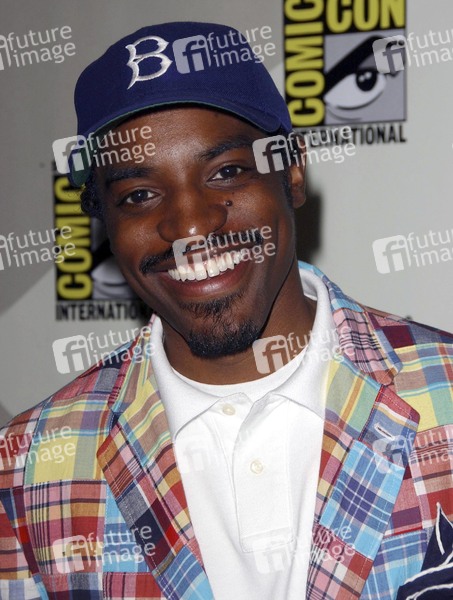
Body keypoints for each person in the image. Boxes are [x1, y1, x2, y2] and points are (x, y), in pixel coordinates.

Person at [0, 21, 452, 600]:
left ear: (292, 172)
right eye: (139, 195)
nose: (190, 225)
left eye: (226, 172)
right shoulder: (30, 467)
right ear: (105, 222)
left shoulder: (444, 393)